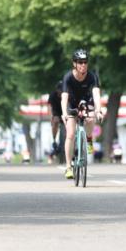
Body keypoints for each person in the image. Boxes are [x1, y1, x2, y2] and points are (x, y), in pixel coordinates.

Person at [60, 48, 103, 178]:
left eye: (85, 62)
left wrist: (98, 109)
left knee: (91, 118)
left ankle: (89, 138)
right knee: (71, 134)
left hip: (86, 101)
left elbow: (96, 94)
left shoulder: (92, 76)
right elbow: (64, 98)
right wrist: (64, 113)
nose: (83, 65)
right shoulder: (68, 77)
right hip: (71, 104)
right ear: (74, 63)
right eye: (80, 62)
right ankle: (68, 167)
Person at [48, 79, 64, 163]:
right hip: (56, 112)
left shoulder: (67, 94)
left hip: (65, 112)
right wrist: (51, 117)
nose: (61, 92)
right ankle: (54, 140)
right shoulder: (53, 95)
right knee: (55, 122)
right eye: (59, 90)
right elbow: (49, 107)